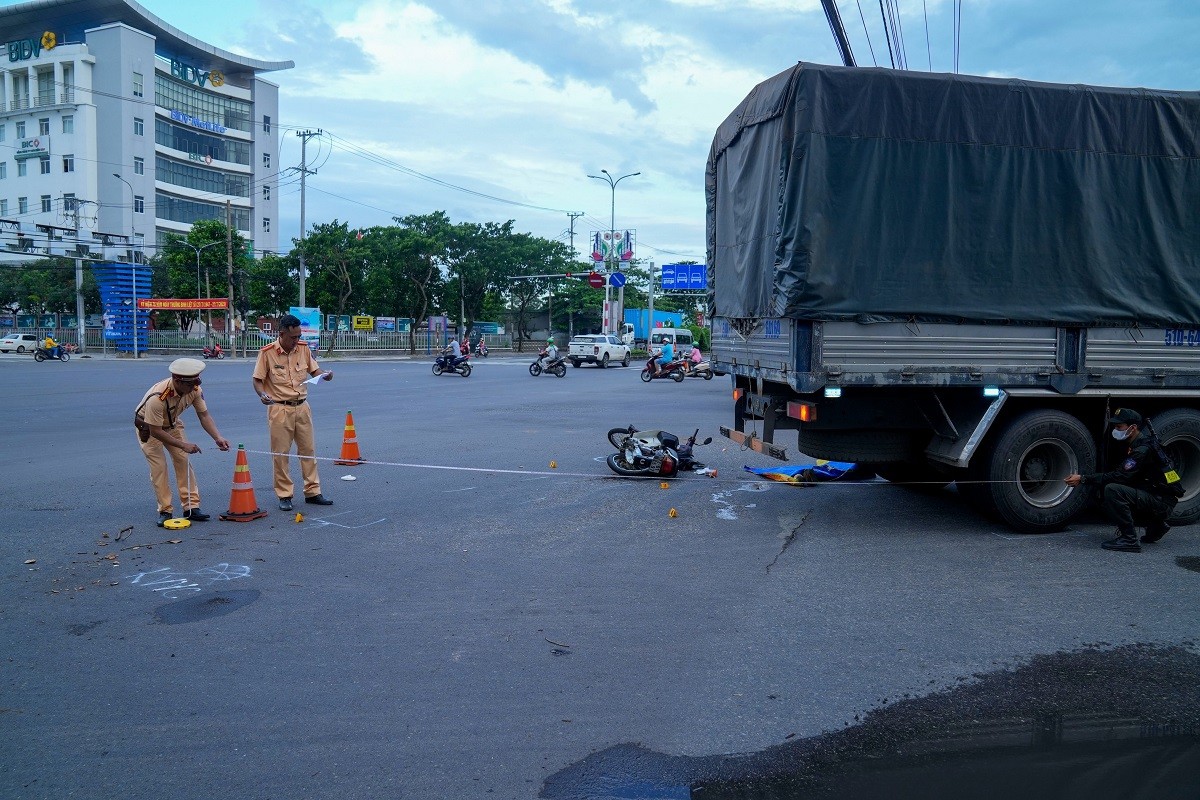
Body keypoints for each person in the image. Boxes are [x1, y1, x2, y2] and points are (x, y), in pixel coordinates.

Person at [1065, 408, 1180, 552]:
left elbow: (1119, 476)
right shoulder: (1138, 444)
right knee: (1110, 490)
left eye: (1119, 427)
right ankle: (1156, 525)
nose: (1116, 429)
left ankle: (1129, 539)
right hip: (1158, 497)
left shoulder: (1141, 450)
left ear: (1132, 428)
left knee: (1112, 490)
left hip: (1161, 501)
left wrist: (1083, 479)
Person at [134, 357, 231, 526]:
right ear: (177, 381)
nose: (194, 387)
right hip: (148, 428)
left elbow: (204, 415)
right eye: (190, 384)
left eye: (196, 382)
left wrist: (218, 437)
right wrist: (183, 445)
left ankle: (191, 507)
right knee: (159, 468)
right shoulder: (158, 398)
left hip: (172, 424)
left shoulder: (194, 389)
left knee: (183, 461)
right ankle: (165, 510)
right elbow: (156, 431)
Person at [252, 315, 334, 511]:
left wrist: (325, 375)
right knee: (280, 454)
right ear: (281, 334)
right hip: (279, 408)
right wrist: (262, 394)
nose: (296, 340)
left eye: (299, 336)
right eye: (293, 337)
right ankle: (284, 494)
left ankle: (313, 491)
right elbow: (257, 380)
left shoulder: (304, 349)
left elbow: (315, 371)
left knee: (308, 450)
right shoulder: (267, 353)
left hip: (302, 407)